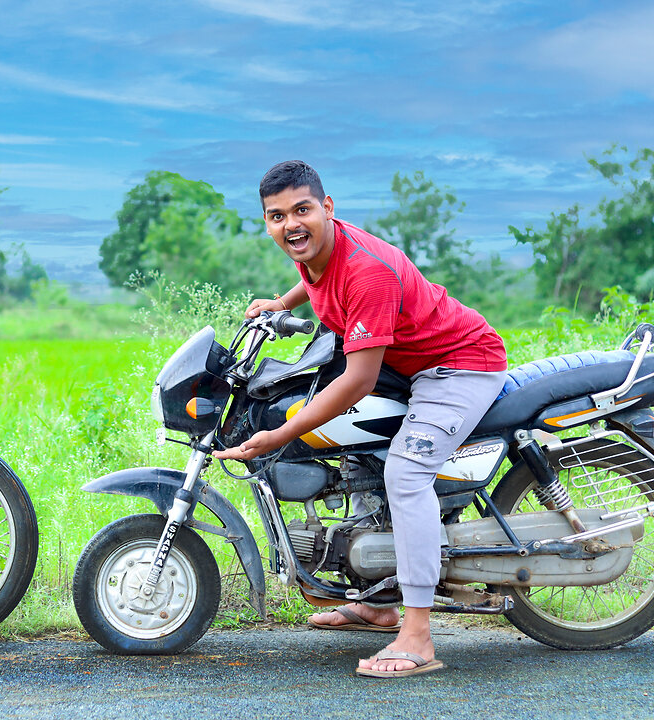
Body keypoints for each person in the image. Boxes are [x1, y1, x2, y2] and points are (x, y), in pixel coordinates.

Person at [214, 161, 508, 679]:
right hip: (409, 364)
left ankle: (417, 635)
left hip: (457, 367)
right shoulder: (316, 250)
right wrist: (279, 303)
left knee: (404, 474)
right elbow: (319, 279)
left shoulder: (366, 270)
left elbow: (357, 381)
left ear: (327, 208)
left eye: (302, 210)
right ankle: (379, 601)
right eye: (276, 216)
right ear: (267, 222)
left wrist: (283, 433)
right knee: (358, 456)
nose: (291, 226)